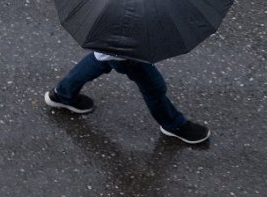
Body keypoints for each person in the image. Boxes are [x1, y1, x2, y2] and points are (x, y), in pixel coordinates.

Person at [45, 51, 210, 144]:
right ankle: (172, 124)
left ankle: (62, 94)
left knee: (99, 59)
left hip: (107, 43)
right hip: (126, 52)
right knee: (154, 87)